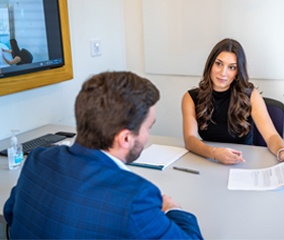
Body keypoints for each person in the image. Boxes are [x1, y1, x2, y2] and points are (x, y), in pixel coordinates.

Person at [4, 71, 203, 239]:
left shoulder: (38, 159)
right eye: (148, 127)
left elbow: (10, 214)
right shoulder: (136, 198)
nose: (148, 134)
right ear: (125, 138)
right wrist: (173, 210)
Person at [182, 38, 284, 165]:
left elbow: (271, 136)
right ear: (210, 65)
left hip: (243, 161)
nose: (223, 73)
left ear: (237, 72)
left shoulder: (250, 95)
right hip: (208, 160)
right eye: (219, 64)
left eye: (231, 67)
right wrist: (214, 153)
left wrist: (282, 152)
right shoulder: (191, 98)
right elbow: (190, 139)